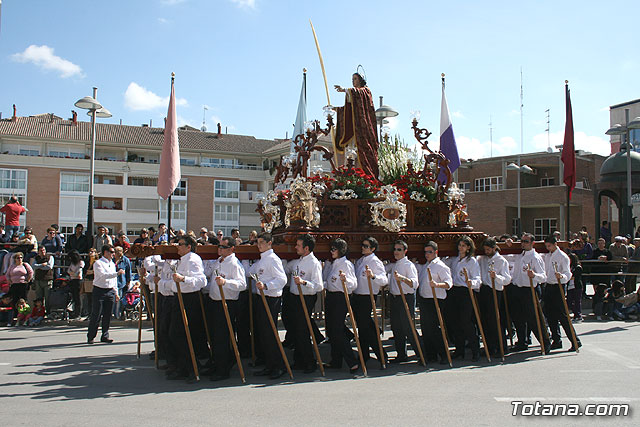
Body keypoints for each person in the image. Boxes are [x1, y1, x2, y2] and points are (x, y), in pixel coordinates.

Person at [166, 235, 207, 382]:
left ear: (189, 246)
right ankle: (184, 366)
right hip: (179, 298)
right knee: (176, 335)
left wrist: (184, 279)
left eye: (181, 244)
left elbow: (202, 280)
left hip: (189, 299)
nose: (178, 247)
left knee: (180, 334)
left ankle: (192, 368)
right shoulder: (182, 260)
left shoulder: (193, 259)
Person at [205, 236, 247, 380]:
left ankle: (223, 370)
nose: (220, 249)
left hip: (227, 302)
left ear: (231, 249)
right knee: (216, 336)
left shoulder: (234, 264)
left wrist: (226, 282)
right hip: (215, 301)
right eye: (219, 247)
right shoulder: (219, 261)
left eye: (223, 247)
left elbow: (242, 284)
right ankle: (217, 363)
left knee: (223, 337)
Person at [248, 232, 288, 379]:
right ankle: (269, 364)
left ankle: (279, 366)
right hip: (261, 298)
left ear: (269, 243)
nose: (259, 245)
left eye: (261, 242)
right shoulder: (262, 259)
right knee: (263, 333)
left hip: (271, 298)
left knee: (270, 333)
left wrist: (266, 285)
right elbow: (252, 272)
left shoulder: (273, 259)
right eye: (257, 243)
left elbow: (282, 279)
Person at [504, 233, 550, 353]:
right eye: (522, 241)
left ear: (532, 243)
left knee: (533, 318)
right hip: (517, 288)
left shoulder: (535, 257)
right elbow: (507, 257)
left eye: (526, 242)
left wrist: (534, 275)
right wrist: (508, 245)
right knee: (518, 318)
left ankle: (545, 342)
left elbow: (543, 277)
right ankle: (522, 342)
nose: (523, 244)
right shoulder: (520, 255)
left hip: (529, 289)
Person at [285, 234, 324, 373]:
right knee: (295, 330)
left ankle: (309, 362)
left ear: (306, 248)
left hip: (306, 298)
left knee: (302, 331)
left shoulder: (314, 263)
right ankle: (299, 360)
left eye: (298, 245)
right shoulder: (299, 261)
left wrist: (303, 282)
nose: (296, 247)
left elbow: (319, 286)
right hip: (295, 297)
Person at [333, 69, 379, 178]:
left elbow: (358, 95)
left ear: (361, 80)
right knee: (351, 151)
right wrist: (336, 110)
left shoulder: (365, 91)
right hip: (353, 128)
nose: (353, 81)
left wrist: (345, 90)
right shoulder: (353, 94)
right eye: (352, 79)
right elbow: (349, 110)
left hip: (363, 128)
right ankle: (351, 174)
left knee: (362, 151)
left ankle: (365, 175)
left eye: (355, 79)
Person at [323, 238, 359, 373]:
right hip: (331, 296)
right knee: (331, 330)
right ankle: (336, 360)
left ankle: (352, 361)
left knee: (337, 330)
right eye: (331, 249)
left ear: (341, 250)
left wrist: (346, 279)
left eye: (334, 249)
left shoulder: (346, 264)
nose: (331, 252)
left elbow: (353, 283)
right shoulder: (334, 264)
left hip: (340, 297)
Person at [444, 236, 482, 361]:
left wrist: (471, 282)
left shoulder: (472, 261)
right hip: (454, 291)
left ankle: (475, 350)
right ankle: (459, 350)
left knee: (466, 322)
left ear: (468, 248)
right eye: (459, 245)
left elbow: (477, 278)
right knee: (455, 322)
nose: (461, 248)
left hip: (465, 291)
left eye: (463, 246)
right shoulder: (454, 260)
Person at [352, 236, 388, 365]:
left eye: (366, 246)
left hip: (367, 296)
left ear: (373, 249)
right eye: (363, 245)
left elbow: (384, 280)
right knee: (361, 327)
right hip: (358, 296)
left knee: (366, 328)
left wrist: (373, 276)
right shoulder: (360, 260)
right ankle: (364, 354)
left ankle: (381, 355)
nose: (363, 247)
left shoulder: (375, 261)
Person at [542, 235, 582, 351]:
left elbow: (568, 273)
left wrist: (562, 276)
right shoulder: (547, 256)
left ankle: (575, 340)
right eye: (546, 246)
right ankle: (556, 339)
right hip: (549, 285)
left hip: (558, 286)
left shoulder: (562, 257)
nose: (548, 248)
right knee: (550, 315)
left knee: (562, 315)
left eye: (549, 246)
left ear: (555, 244)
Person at [418, 241, 452, 365]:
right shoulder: (426, 265)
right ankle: (431, 355)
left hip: (436, 299)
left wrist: (437, 284)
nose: (427, 254)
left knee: (435, 329)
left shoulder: (441, 266)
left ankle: (444, 354)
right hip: (425, 299)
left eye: (430, 252)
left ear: (436, 252)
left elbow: (448, 283)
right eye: (426, 252)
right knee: (426, 329)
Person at [477, 237, 511, 357]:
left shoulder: (501, 261)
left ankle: (501, 346)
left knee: (495, 319)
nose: (486, 252)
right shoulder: (482, 259)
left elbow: (507, 279)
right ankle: (489, 346)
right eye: (485, 249)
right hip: (484, 289)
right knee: (485, 319)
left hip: (495, 290)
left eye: (488, 249)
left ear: (494, 248)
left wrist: (496, 277)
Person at [388, 240, 420, 364]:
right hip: (395, 298)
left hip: (405, 297)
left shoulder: (408, 265)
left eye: (399, 249)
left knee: (408, 327)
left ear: (405, 251)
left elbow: (414, 283)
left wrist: (402, 279)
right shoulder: (395, 264)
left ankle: (420, 353)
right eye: (395, 249)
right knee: (396, 327)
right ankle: (401, 354)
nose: (396, 252)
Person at [87, 244, 125, 344]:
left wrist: (116, 292)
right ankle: (91, 335)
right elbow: (103, 276)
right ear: (106, 252)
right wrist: (117, 273)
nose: (113, 254)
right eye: (111, 252)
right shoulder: (98, 263)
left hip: (110, 290)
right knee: (96, 314)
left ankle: (105, 335)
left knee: (108, 315)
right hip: (99, 290)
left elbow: (114, 281)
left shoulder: (112, 264)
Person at [31, 246, 54, 312]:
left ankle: (48, 312)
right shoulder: (36, 258)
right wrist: (42, 265)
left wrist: (39, 266)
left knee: (48, 298)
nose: (43, 252)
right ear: (38, 252)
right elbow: (33, 266)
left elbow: (49, 266)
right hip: (38, 280)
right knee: (39, 298)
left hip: (47, 280)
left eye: (44, 250)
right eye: (41, 250)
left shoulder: (50, 257)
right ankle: (39, 312)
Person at [113, 246, 132, 319]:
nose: (117, 253)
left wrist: (128, 281)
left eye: (118, 251)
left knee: (120, 299)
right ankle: (114, 313)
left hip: (121, 282)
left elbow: (128, 271)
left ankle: (118, 314)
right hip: (112, 282)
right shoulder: (112, 260)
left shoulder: (125, 260)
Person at [67, 250, 85, 319]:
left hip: (78, 281)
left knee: (78, 298)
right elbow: (69, 271)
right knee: (74, 297)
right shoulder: (72, 263)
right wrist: (72, 273)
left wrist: (73, 273)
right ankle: (74, 312)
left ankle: (78, 313)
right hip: (72, 280)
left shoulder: (81, 262)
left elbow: (78, 273)